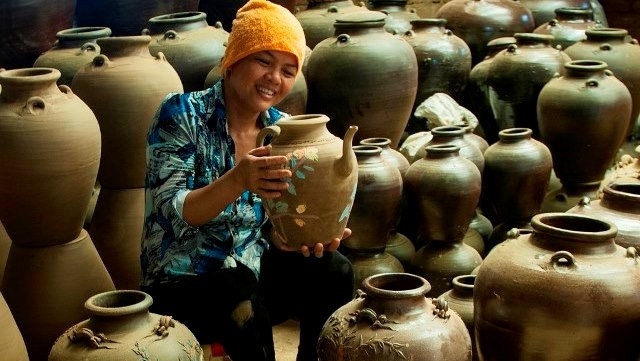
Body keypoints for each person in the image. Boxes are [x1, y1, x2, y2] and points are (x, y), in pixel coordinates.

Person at [139, 1, 355, 360]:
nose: (275, 78)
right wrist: (238, 179)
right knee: (236, 285)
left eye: (288, 70)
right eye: (264, 61)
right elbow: (173, 212)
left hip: (251, 273)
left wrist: (296, 237)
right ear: (234, 59)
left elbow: (272, 222)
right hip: (181, 286)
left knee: (334, 270)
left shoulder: (281, 128)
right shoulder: (180, 113)